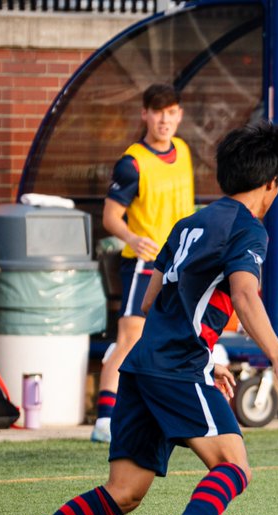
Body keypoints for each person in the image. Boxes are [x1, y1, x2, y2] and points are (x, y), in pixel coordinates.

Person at [0, 121, 278, 515]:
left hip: (141, 365)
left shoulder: (188, 224)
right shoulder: (249, 230)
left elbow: (154, 299)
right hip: (177, 365)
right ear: (273, 183)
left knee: (124, 492)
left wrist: (210, 354)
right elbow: (244, 291)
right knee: (233, 465)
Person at [92, 84, 195, 444]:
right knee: (130, 337)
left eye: (171, 112)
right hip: (143, 264)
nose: (164, 119)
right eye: (157, 112)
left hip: (180, 264)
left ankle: (166, 416)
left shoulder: (183, 150)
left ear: (179, 114)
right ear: (145, 115)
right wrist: (133, 239)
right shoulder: (132, 162)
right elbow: (110, 217)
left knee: (177, 337)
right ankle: (105, 418)